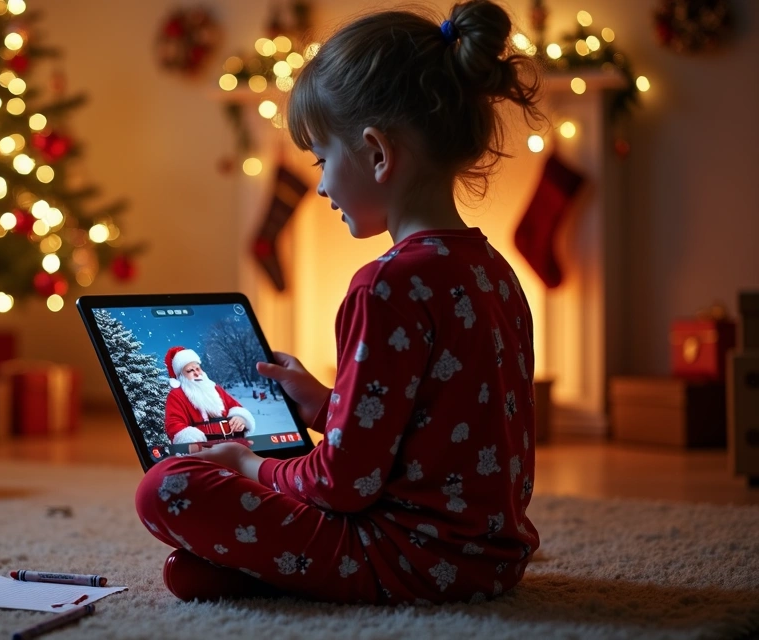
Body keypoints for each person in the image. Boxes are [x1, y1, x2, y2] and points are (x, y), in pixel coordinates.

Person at [135, 0, 542, 606]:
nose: (321, 184)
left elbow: (341, 486)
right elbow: (431, 436)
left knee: (164, 487)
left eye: (323, 160)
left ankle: (282, 572)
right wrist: (328, 407)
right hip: (492, 559)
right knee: (193, 575)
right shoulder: (494, 269)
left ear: (377, 153)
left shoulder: (386, 285)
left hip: (408, 559)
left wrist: (245, 465)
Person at [162, 346, 256, 445]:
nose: (197, 373)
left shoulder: (215, 388)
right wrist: (191, 439)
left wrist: (240, 418)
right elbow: (174, 424)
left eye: (198, 368)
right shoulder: (176, 395)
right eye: (190, 371)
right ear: (181, 376)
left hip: (234, 444)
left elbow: (235, 407)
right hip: (205, 450)